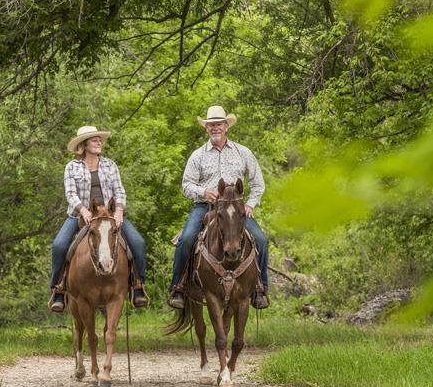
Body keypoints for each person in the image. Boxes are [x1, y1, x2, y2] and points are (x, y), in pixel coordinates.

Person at [168, 105, 270, 310]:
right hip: (205, 207)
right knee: (187, 238)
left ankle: (260, 288)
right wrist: (204, 191)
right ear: (207, 128)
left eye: (219, 124)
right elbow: (186, 185)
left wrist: (250, 204)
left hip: (236, 209)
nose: (215, 128)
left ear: (226, 126)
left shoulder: (243, 152)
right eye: (211, 125)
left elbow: (258, 182)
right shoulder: (198, 155)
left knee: (260, 239)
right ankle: (178, 287)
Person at [49, 125, 149, 312]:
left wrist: (119, 210)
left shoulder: (110, 165)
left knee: (138, 242)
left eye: (99, 139)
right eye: (94, 140)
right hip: (81, 215)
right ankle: (58, 289)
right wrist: (83, 210)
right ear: (84, 145)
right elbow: (70, 194)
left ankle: (138, 285)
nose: (98, 142)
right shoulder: (72, 167)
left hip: (109, 216)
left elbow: (120, 191)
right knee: (59, 245)